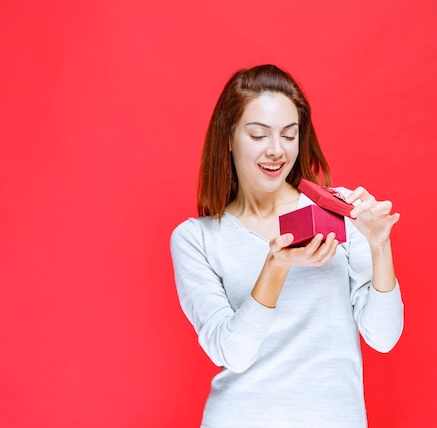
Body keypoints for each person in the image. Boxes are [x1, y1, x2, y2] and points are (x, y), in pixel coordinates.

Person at [170, 64, 404, 428]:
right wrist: (276, 267)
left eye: (289, 135)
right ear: (229, 136)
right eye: (259, 135)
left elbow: (384, 337)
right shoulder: (196, 238)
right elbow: (232, 352)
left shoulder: (338, 208)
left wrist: (379, 244)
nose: (276, 150)